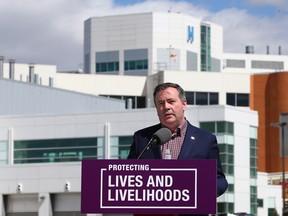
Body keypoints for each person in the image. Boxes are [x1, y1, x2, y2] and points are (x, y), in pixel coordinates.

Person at [127, 82, 228, 216]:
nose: (166, 107)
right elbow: (128, 177)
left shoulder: (205, 140)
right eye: (161, 103)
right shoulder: (142, 138)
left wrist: (202, 192)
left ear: (184, 104)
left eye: (171, 101)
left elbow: (220, 180)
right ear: (157, 109)